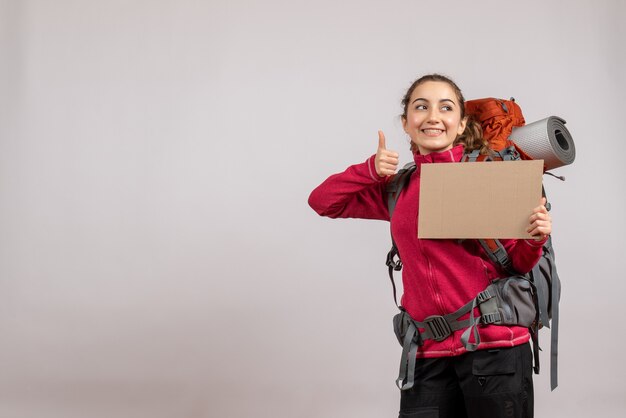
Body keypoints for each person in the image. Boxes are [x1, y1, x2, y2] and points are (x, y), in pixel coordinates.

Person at [308, 74, 552, 418]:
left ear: (461, 123)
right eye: (420, 107)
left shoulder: (487, 176)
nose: (433, 116)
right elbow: (323, 201)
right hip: (426, 354)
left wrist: (535, 238)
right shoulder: (398, 189)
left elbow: (519, 263)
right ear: (406, 123)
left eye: (446, 107)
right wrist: (369, 170)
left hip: (494, 350)